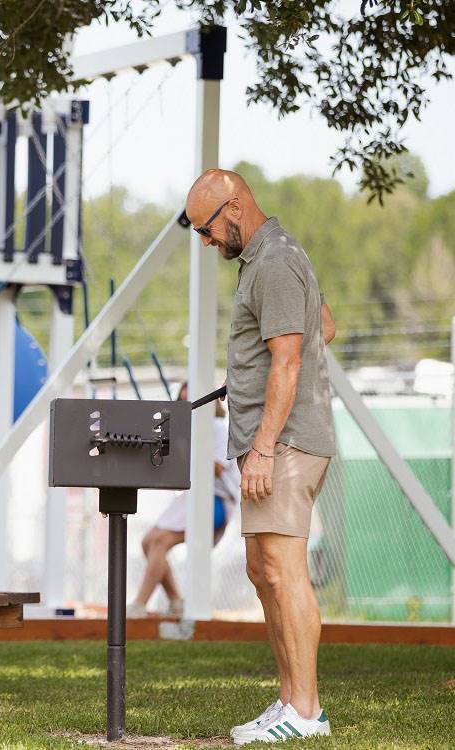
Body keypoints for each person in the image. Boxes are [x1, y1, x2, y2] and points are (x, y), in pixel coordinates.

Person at [185, 169, 337, 744]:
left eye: (206, 230)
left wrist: (266, 447)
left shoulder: (273, 261)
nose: (205, 242)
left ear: (233, 207)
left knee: (283, 572)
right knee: (260, 570)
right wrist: (249, 380)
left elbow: (291, 360)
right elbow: (322, 327)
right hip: (274, 438)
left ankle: (305, 711)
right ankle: (290, 702)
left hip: (285, 444)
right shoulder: (270, 258)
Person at [129, 382, 240, 618]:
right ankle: (176, 601)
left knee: (159, 543)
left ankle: (139, 604)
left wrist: (185, 449)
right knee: (148, 542)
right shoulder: (187, 433)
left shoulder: (218, 427)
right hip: (193, 497)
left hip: (215, 500)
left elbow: (218, 468)